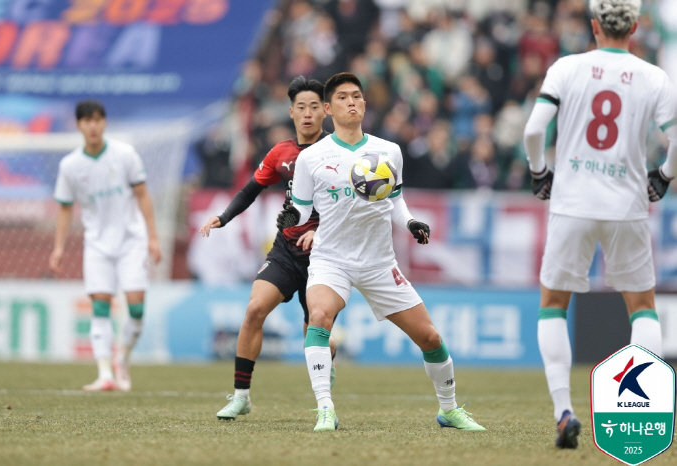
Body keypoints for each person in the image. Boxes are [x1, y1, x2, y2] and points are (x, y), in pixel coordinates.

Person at [277, 72, 486, 433]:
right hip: (332, 260)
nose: (353, 102)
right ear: (328, 108)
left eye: (357, 96)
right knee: (320, 317)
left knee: (431, 338)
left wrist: (410, 222)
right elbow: (301, 207)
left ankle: (449, 410)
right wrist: (290, 217)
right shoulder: (312, 158)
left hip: (378, 263)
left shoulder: (388, 150)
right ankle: (325, 408)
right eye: (343, 97)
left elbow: (395, 199)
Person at [523, 0, 677, 449]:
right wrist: (664, 175)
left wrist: (539, 171)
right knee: (642, 307)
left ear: (593, 25)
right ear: (634, 26)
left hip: (572, 201)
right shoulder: (653, 76)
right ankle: (637, 410)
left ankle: (563, 412)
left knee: (552, 304)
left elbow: (535, 129)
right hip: (627, 204)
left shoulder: (568, 68)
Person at [199, 76, 337, 420]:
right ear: (291, 112)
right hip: (286, 251)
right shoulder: (281, 153)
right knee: (255, 310)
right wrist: (224, 217)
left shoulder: (337, 153)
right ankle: (241, 396)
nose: (307, 113)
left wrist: (323, 232)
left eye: (314, 107)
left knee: (316, 333)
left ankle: (325, 387)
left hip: (326, 256)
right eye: (301, 107)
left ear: (326, 111)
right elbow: (250, 190)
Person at [50, 100, 162, 391]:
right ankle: (104, 374)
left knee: (136, 310)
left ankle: (121, 358)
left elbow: (142, 194)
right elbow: (64, 208)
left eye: (98, 119)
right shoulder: (70, 165)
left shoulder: (125, 154)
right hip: (97, 245)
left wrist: (152, 236)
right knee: (100, 306)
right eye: (87, 120)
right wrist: (59, 247)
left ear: (104, 122)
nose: (93, 125)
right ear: (79, 125)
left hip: (131, 241)